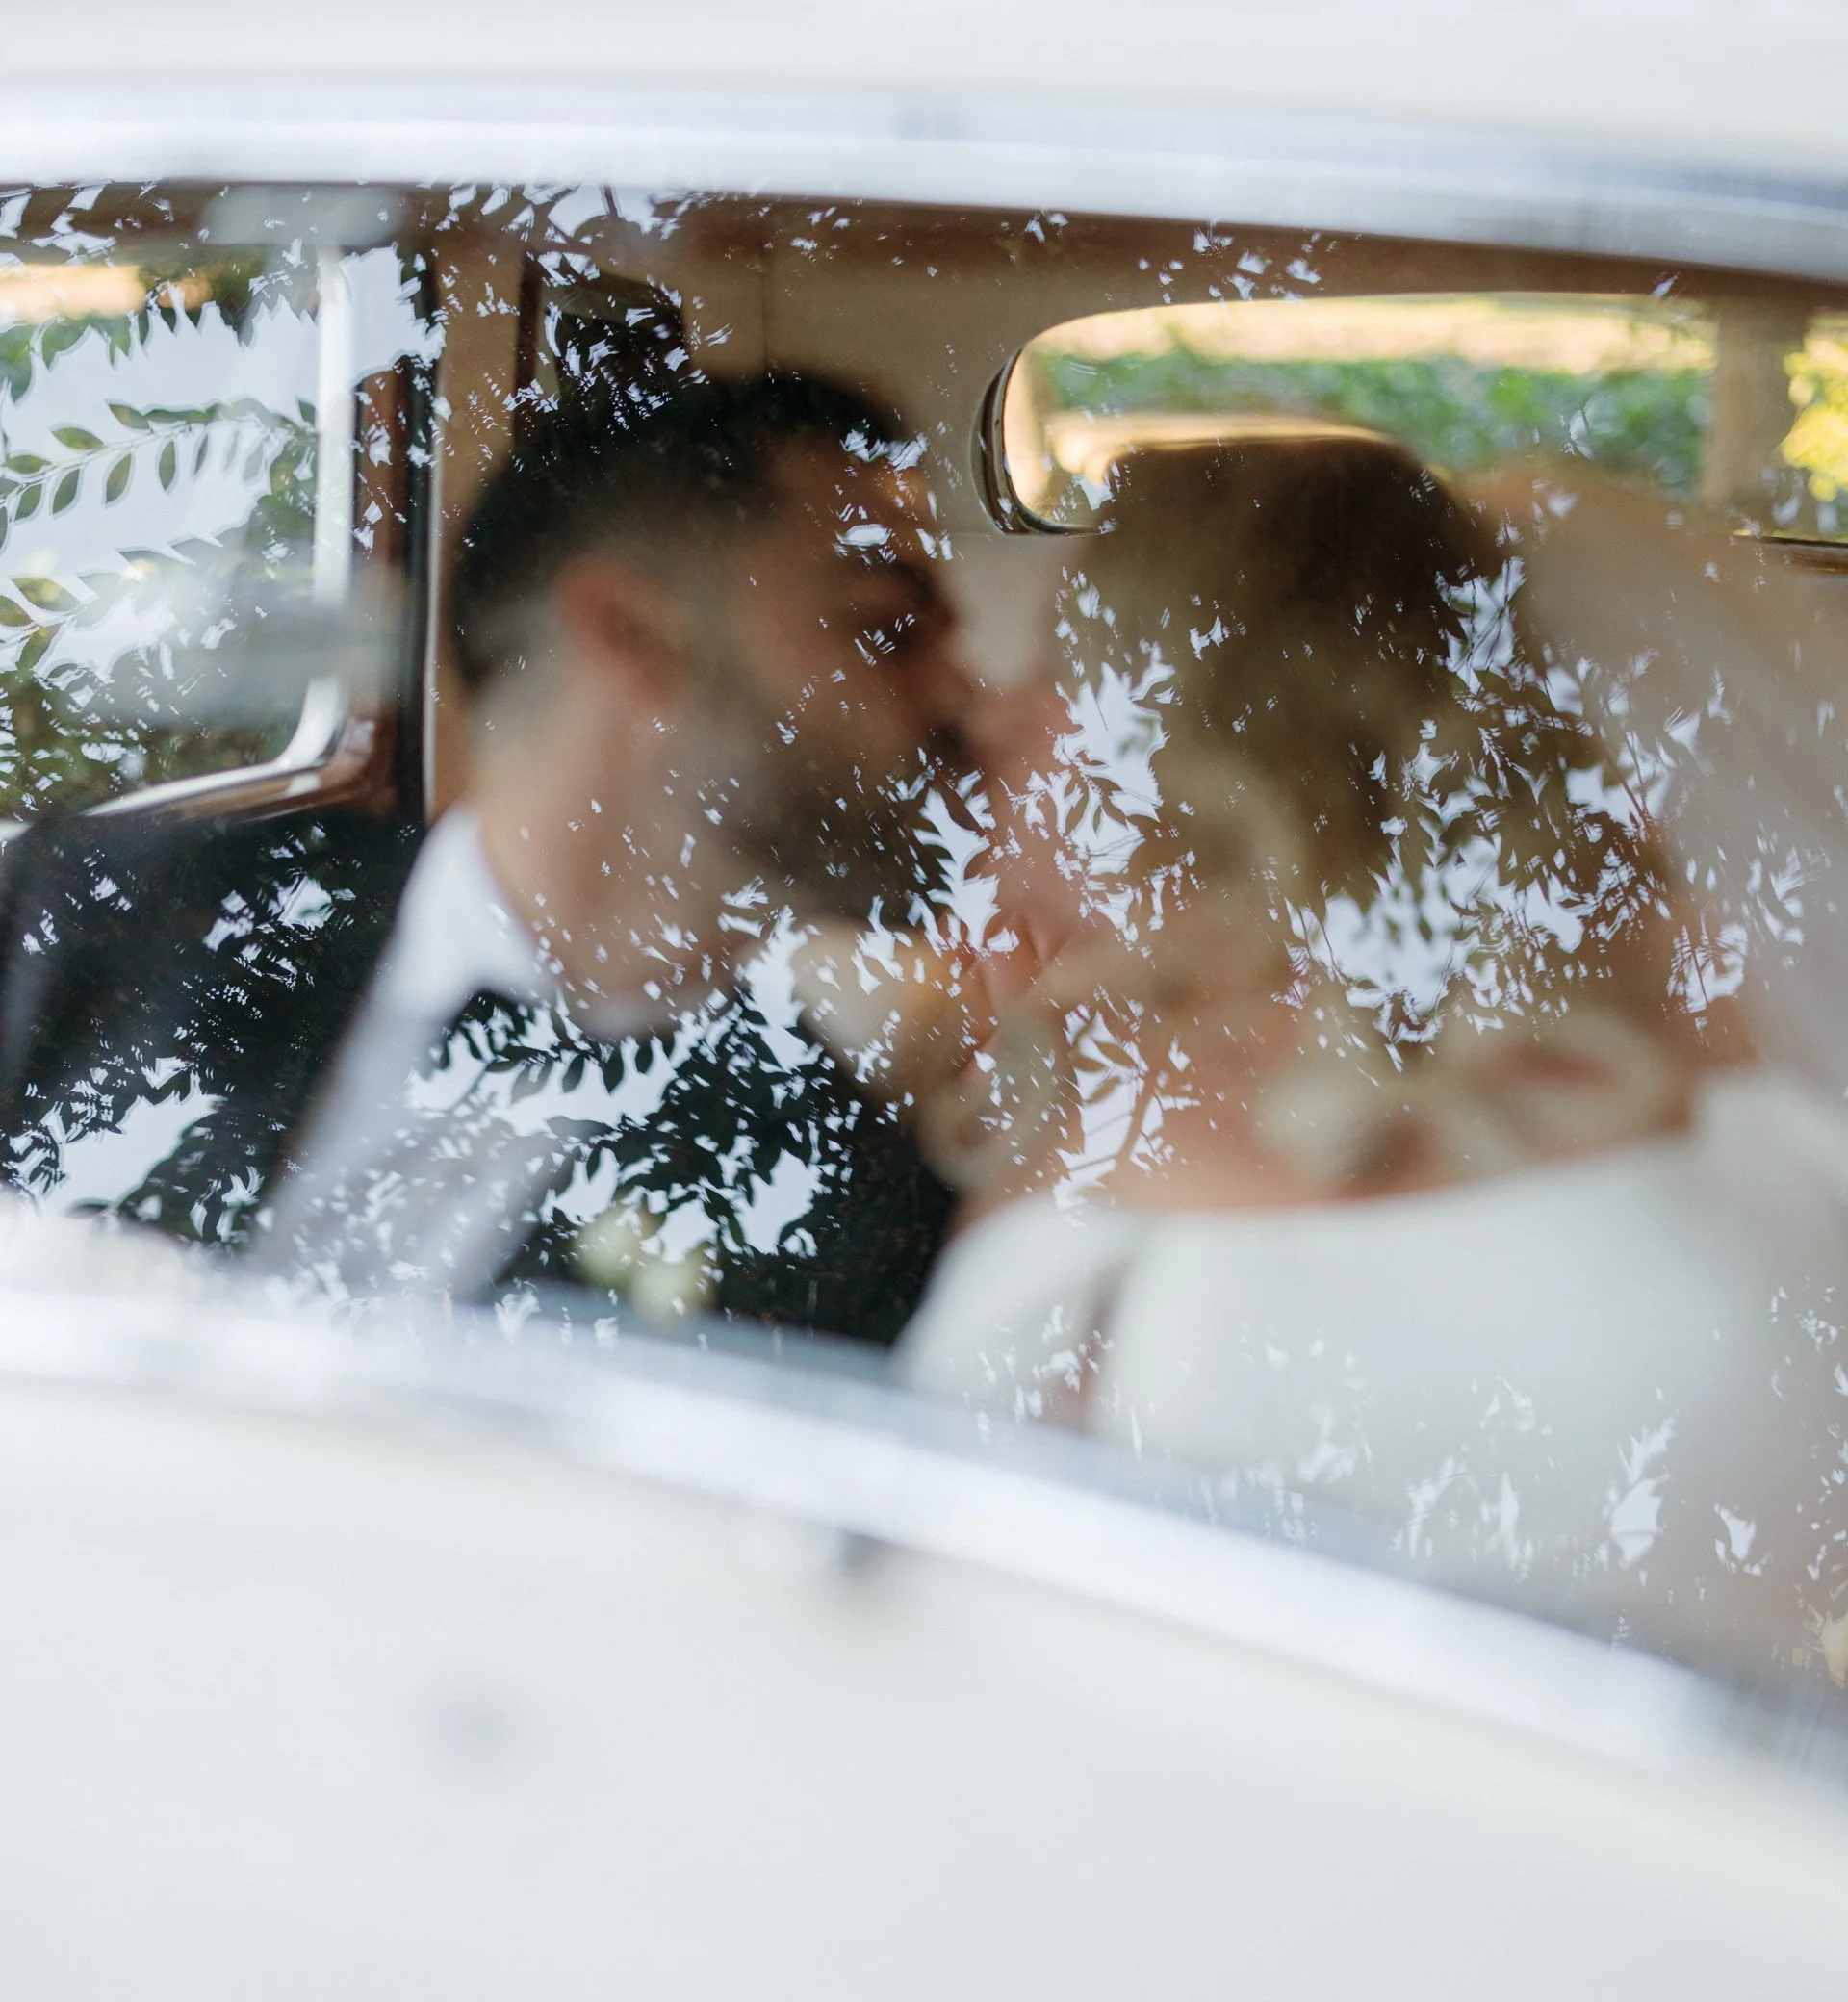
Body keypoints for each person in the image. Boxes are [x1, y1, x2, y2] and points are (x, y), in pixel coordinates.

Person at [880, 436, 1848, 1675]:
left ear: (1197, 728)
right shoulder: (1715, 1027)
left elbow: (938, 1605)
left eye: (1067, 664)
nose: (1004, 713)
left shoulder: (1110, 1118)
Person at [0, 372, 973, 1345]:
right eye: (884, 630)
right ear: (632, 633)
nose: (966, 700)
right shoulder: (93, 915)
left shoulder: (850, 1199)